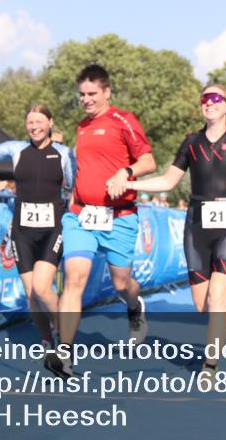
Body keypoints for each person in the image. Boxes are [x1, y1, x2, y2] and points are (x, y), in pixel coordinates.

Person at [127, 84, 226, 379]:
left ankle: (210, 365)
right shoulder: (192, 142)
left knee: (218, 299)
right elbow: (168, 181)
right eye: (205, 98)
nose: (209, 102)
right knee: (202, 304)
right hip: (196, 227)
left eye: (216, 98)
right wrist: (130, 184)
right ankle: (215, 340)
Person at [58, 64, 156, 377]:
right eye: (82, 94)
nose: (86, 99)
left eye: (92, 93)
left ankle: (134, 306)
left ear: (107, 92)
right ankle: (64, 354)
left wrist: (125, 172)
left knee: (121, 283)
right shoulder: (82, 127)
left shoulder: (123, 120)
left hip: (119, 217)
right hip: (81, 216)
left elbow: (148, 161)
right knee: (74, 279)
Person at [0, 103, 76, 376]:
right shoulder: (16, 149)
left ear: (50, 123)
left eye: (39, 122)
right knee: (31, 294)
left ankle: (65, 340)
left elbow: (74, 188)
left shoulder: (64, 154)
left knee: (42, 288)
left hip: (52, 230)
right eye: (30, 122)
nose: (34, 127)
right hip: (22, 231)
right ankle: (47, 341)